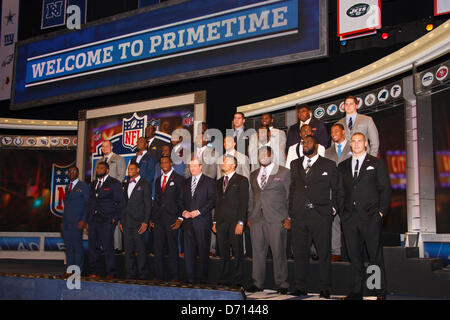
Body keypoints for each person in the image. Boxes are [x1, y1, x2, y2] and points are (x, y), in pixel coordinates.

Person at [338, 132, 391, 300]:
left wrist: (381, 212)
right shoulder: (343, 166)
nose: (356, 144)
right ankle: (356, 292)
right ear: (350, 144)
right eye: (353, 141)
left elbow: (385, 190)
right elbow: (340, 191)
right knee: (354, 257)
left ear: (366, 144)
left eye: (359, 141)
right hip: (349, 219)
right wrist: (342, 212)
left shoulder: (376, 163)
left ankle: (378, 291)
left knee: (374, 257)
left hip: (371, 218)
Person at [288, 135, 338, 298]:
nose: (305, 145)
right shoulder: (294, 164)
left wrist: (332, 210)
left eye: (308, 142)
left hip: (320, 215)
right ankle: (300, 286)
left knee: (323, 253)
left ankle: (325, 287)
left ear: (316, 145)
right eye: (303, 142)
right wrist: (291, 211)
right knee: (300, 253)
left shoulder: (329, 164)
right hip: (299, 216)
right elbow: (292, 189)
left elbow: (337, 190)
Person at [246, 146, 290, 294]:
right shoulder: (253, 174)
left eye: (265, 153)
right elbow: (251, 197)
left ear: (272, 155)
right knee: (257, 252)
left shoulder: (283, 172)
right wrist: (250, 216)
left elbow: (289, 196)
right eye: (260, 154)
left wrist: (289, 217)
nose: (262, 156)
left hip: (277, 218)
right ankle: (257, 283)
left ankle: (282, 283)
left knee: (278, 252)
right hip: (257, 218)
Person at [214, 155, 249, 286]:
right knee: (223, 253)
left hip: (235, 222)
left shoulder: (242, 180)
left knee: (237, 252)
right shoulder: (218, 182)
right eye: (222, 161)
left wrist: (241, 222)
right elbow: (217, 203)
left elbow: (243, 203)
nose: (223, 163)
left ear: (233, 165)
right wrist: (215, 222)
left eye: (225, 161)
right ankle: (224, 278)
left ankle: (238, 280)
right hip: (221, 223)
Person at [87, 161, 124, 279]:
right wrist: (88, 219)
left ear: (107, 170)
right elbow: (90, 202)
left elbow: (120, 202)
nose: (98, 170)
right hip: (94, 220)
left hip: (107, 220)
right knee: (93, 247)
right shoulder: (93, 184)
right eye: (97, 168)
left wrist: (115, 218)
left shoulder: (114, 183)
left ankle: (110, 272)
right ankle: (95, 271)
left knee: (108, 247)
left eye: (101, 168)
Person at [182, 157, 216, 284]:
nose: (193, 169)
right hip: (188, 223)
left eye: (195, 166)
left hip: (202, 222)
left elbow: (212, 201)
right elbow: (180, 200)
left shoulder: (209, 181)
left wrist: (198, 211)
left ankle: (203, 279)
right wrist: (184, 211)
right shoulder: (185, 183)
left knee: (203, 252)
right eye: (191, 166)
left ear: (201, 166)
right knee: (189, 253)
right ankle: (190, 278)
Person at [151, 155, 184, 281]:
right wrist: (153, 218)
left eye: (166, 162)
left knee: (172, 248)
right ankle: (159, 275)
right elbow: (157, 200)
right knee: (158, 249)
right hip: (159, 219)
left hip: (172, 219)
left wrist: (180, 218)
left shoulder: (179, 179)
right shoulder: (158, 179)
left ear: (171, 164)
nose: (164, 163)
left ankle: (174, 276)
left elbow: (181, 200)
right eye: (162, 162)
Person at [324, 123, 352, 261]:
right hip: (333, 191)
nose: (333, 133)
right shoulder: (327, 151)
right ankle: (336, 252)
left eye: (336, 130)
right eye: (331, 131)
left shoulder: (353, 146)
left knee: (349, 221)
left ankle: (349, 250)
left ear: (343, 132)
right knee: (334, 222)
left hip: (349, 191)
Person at [119, 162, 151, 280]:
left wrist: (145, 222)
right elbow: (124, 204)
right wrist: (122, 221)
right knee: (128, 250)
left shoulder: (145, 183)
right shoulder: (126, 184)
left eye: (132, 169)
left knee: (141, 250)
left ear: (138, 170)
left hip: (139, 223)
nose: (130, 170)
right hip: (127, 222)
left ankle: (143, 275)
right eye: (129, 169)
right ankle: (130, 274)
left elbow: (148, 205)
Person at [60, 165, 89, 279]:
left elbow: (87, 205)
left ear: (77, 173)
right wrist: (63, 221)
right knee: (69, 247)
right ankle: (69, 270)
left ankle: (77, 271)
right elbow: (66, 206)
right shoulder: (68, 187)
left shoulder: (84, 186)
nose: (71, 173)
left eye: (73, 171)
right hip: (67, 222)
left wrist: (83, 220)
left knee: (77, 247)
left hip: (77, 222)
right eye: (69, 171)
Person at [98, 140, 126, 254]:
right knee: (101, 222)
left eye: (106, 146)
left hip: (113, 195)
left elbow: (121, 176)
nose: (104, 148)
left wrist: (111, 190)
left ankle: (116, 247)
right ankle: (102, 246)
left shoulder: (119, 158)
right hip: (101, 197)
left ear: (111, 147)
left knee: (113, 221)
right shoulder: (100, 161)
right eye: (102, 147)